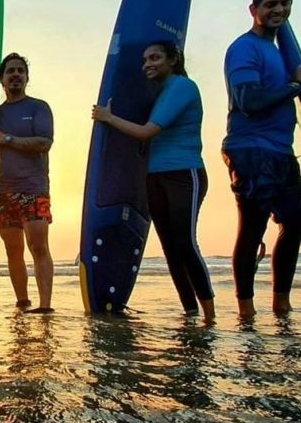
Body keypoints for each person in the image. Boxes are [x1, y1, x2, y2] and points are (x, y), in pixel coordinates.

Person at [92, 42, 215, 322]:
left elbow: (147, 132)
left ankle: (210, 316)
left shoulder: (183, 87)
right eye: (145, 59)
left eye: (155, 58)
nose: (147, 63)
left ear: (173, 60)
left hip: (185, 174)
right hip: (155, 176)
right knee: (170, 248)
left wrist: (109, 118)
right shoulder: (160, 95)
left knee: (185, 243)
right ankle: (191, 312)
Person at [222, 0, 301, 319]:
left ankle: (280, 302)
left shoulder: (277, 51)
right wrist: (296, 84)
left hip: (280, 150)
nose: (279, 9)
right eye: (271, 4)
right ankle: (246, 308)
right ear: (254, 10)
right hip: (250, 149)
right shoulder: (244, 48)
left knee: (297, 223)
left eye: (285, 3)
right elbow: (248, 100)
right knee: (253, 226)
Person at [0, 52, 55, 313]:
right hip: (2, 189)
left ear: (26, 77)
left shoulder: (38, 107)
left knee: (38, 245)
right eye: (10, 71)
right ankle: (22, 303)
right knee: (13, 249)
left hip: (33, 188)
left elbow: (44, 142)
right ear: (1, 80)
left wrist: (6, 139)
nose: (15, 75)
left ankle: (45, 306)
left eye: (20, 71)